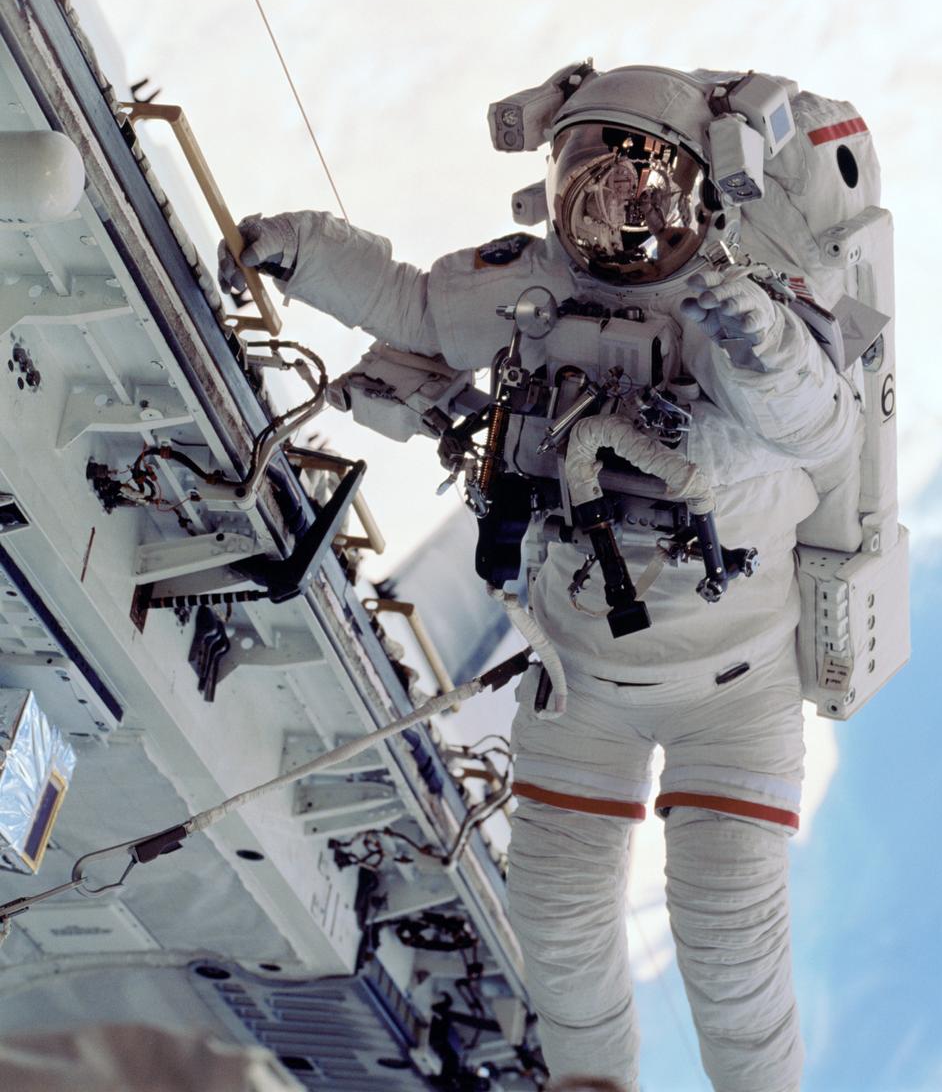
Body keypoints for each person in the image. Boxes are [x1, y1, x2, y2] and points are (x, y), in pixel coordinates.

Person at [219, 64, 867, 1092]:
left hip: (733, 695)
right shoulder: (525, 288)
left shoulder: (745, 318)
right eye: (588, 170)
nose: (614, 203)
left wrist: (758, 339)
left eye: (639, 176)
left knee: (730, 951)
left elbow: (819, 430)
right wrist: (300, 250)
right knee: (556, 928)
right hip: (582, 678)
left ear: (696, 185)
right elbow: (415, 305)